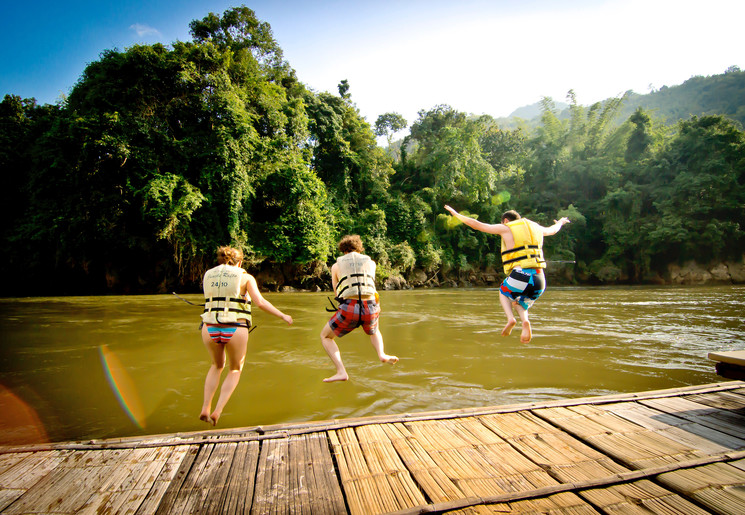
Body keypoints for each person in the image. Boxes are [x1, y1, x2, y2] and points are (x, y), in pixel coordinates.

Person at [444, 205, 570, 343]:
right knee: (519, 304)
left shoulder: (507, 228)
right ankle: (525, 321)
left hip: (521, 274)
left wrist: (456, 214)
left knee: (503, 292)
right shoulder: (537, 228)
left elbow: (478, 225)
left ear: (505, 220)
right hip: (540, 279)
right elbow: (553, 230)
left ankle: (510, 319)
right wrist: (560, 222)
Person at [199, 246, 293, 425]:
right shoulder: (245, 277)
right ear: (240, 262)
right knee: (235, 369)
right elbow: (260, 302)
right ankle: (217, 411)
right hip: (235, 328)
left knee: (216, 365)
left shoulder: (208, 275)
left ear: (219, 261)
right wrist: (283, 315)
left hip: (209, 328)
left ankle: (205, 407)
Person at [320, 235, 398, 382]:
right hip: (371, 307)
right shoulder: (371, 263)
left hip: (350, 308)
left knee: (325, 336)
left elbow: (337, 292)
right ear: (359, 248)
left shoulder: (336, 266)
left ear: (343, 250)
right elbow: (371, 287)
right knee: (374, 331)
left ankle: (341, 371)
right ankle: (381, 354)